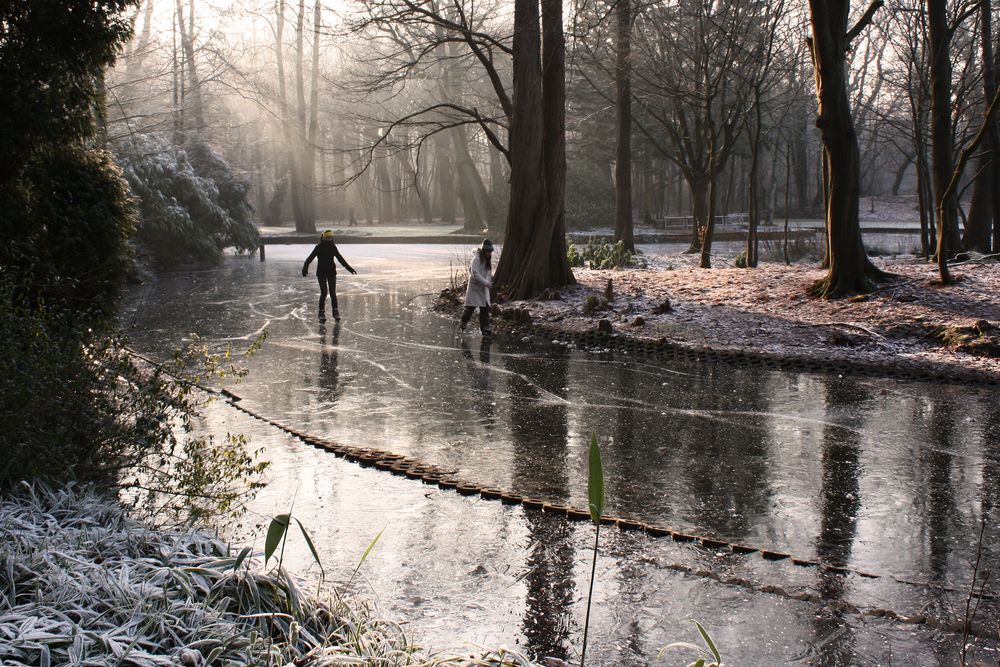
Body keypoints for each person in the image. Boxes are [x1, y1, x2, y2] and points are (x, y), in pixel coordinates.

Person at [302, 230, 357, 323]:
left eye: (330, 237)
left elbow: (340, 258)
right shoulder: (318, 247)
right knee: (324, 292)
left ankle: (335, 311)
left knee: (332, 293)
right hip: (321, 273)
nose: (328, 239)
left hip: (331, 272)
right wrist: (305, 268)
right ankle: (321, 312)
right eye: (327, 237)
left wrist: (349, 268)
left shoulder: (333, 246)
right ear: (323, 237)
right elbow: (309, 258)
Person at [460, 239, 494, 335]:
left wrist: (489, 280)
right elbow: (475, 273)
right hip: (475, 288)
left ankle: (485, 328)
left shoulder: (488, 260)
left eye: (490, 252)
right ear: (483, 251)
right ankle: (463, 322)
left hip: (484, 289)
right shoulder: (476, 259)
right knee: (470, 309)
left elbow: (489, 272)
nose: (489, 253)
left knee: (485, 309)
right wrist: (486, 283)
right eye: (487, 251)